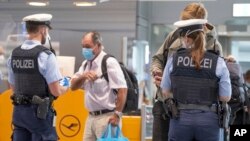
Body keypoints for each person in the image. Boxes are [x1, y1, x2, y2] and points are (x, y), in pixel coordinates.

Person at [150, 3, 223, 141]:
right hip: (164, 105)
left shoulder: (214, 46)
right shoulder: (173, 37)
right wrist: (157, 72)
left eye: (186, 23)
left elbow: (218, 82)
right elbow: (157, 58)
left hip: (193, 112)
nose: (182, 29)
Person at [160, 18, 231, 141]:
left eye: (181, 38)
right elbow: (225, 97)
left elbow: (165, 90)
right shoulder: (217, 62)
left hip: (180, 121)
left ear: (187, 38)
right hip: (209, 122)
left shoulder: (174, 59)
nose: (181, 41)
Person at [7, 13, 69, 141]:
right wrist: (67, 84)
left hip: (19, 113)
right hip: (39, 115)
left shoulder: (14, 55)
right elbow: (55, 90)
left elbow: (13, 88)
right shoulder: (45, 56)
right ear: (43, 29)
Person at [70, 31, 127, 141]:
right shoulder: (86, 64)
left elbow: (122, 89)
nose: (85, 50)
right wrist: (84, 76)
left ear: (99, 45)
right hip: (90, 118)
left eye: (88, 46)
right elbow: (72, 86)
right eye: (83, 46)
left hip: (107, 117)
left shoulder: (109, 62)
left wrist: (117, 115)